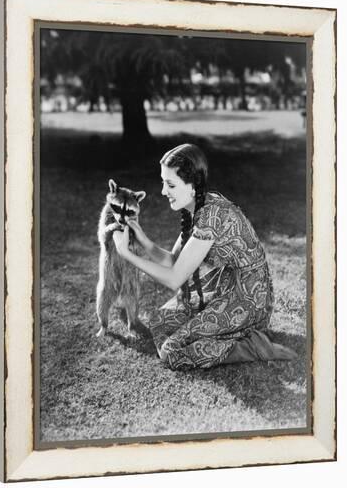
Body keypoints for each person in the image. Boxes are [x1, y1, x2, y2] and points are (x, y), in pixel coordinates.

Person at [112, 143, 297, 371]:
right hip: (224, 289)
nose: (162, 191)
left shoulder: (212, 216)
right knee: (158, 320)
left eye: (170, 184)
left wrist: (125, 253)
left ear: (193, 186)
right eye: (163, 182)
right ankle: (216, 336)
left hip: (248, 300)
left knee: (171, 353)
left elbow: (174, 279)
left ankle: (252, 345)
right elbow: (174, 261)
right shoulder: (196, 206)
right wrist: (143, 239)